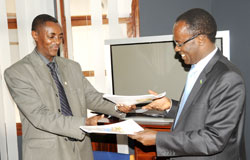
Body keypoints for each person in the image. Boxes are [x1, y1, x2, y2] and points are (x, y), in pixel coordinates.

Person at [4, 14, 134, 160]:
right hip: (46, 154)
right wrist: (84, 123)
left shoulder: (72, 67)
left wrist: (120, 106)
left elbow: (91, 97)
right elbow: (40, 116)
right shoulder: (17, 73)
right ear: (35, 35)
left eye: (60, 37)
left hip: (81, 151)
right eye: (51, 36)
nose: (57, 42)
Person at [129, 8, 246, 160]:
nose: (177, 49)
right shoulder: (197, 68)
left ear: (201, 39)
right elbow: (199, 113)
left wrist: (158, 138)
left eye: (179, 43)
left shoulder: (228, 78)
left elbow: (213, 139)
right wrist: (170, 106)